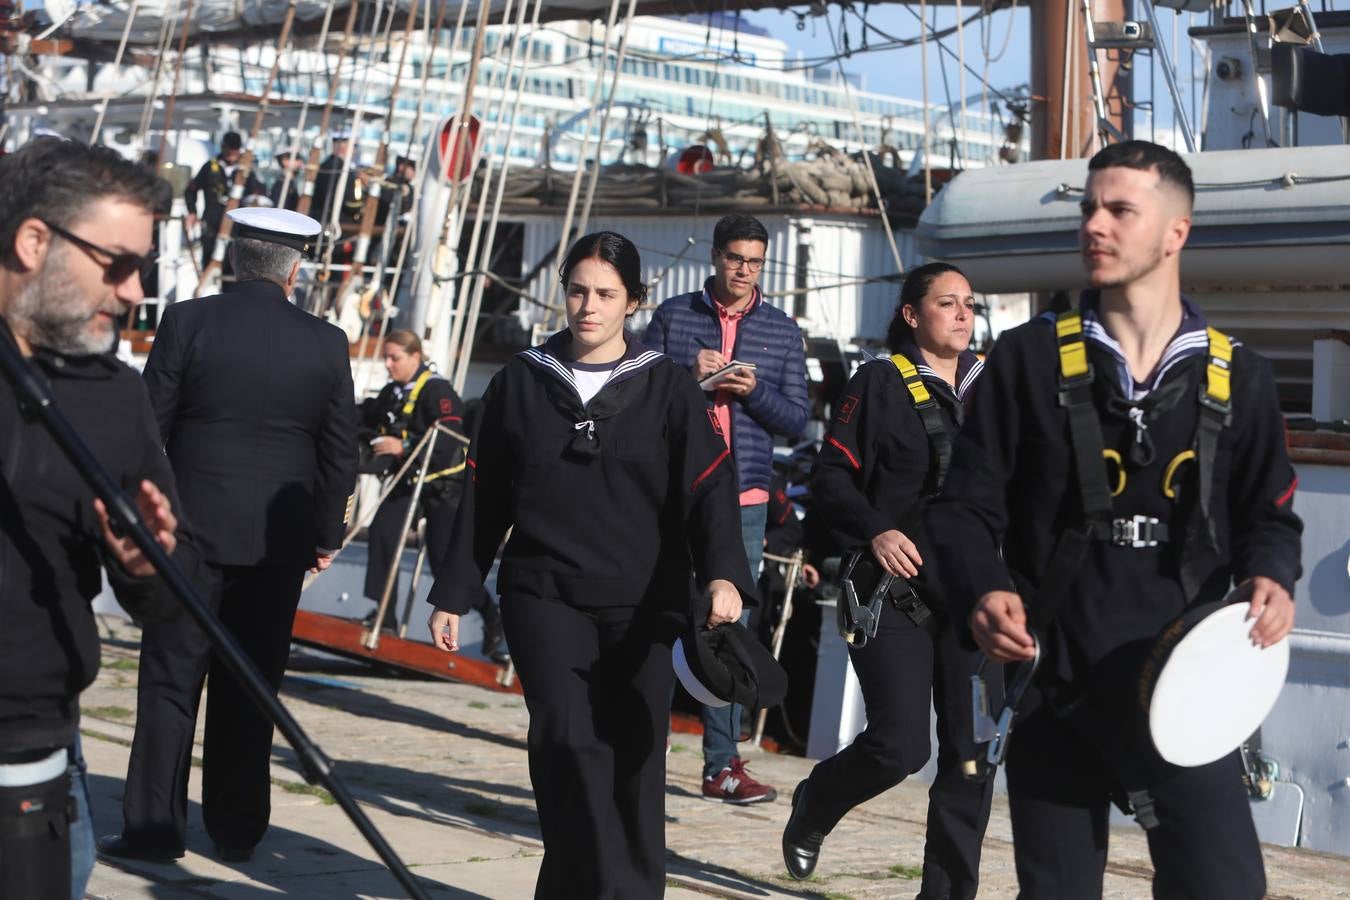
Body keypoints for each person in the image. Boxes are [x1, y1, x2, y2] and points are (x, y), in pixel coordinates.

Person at [928, 140, 1302, 898]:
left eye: (1120, 210)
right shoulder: (1027, 363)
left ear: (1176, 232)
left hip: (1182, 683)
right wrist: (981, 588)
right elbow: (963, 509)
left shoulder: (1241, 377)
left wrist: (1273, 575)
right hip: (1052, 682)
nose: (1095, 225)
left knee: (1225, 886)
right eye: (1088, 208)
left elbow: (1270, 514)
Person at [427, 231, 757, 898]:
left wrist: (724, 572)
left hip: (645, 600)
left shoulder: (668, 388)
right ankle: (589, 883)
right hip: (544, 593)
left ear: (633, 300)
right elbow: (484, 488)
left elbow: (711, 487)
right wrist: (455, 591)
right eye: (578, 290)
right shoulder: (522, 380)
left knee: (635, 751)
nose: (588, 306)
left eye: (606, 294)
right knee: (565, 742)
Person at [101, 207, 359, 864]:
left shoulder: (187, 322)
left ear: (234, 260)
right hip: (277, 545)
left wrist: (143, 514)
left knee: (168, 683)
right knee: (251, 687)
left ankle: (153, 828)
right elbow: (339, 453)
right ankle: (237, 829)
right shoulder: (326, 343)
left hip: (188, 534)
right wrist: (325, 535)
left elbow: (144, 427)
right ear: (295, 269)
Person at [0, 137, 185, 899]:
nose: (136, 291)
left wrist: (147, 565)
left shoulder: (114, 395)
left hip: (32, 750)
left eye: (144, 267)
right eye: (117, 265)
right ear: (34, 240)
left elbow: (169, 599)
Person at [781, 262, 999, 899]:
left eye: (969, 304)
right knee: (901, 748)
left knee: (971, 756)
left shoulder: (995, 389)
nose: (962, 314)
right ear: (912, 314)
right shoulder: (876, 383)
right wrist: (875, 528)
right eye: (946, 303)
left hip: (975, 601)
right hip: (891, 595)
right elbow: (829, 479)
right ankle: (817, 802)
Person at [644, 213, 809, 804]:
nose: (744, 270)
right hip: (672, 491)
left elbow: (796, 420)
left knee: (726, 625)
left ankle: (722, 765)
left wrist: (752, 391)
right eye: (736, 258)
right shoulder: (674, 317)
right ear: (715, 257)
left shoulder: (783, 332)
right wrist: (689, 378)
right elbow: (638, 396)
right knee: (659, 613)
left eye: (756, 262)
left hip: (744, 498)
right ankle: (643, 744)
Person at [358, 329, 506, 661]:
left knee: (444, 557)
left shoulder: (438, 390)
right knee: (383, 533)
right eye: (386, 357)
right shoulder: (391, 393)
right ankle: (385, 616)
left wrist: (405, 445)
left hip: (443, 486)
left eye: (394, 357)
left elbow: (451, 434)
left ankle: (489, 614)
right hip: (410, 482)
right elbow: (367, 417)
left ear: (415, 357)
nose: (388, 364)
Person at [184, 131, 264, 269]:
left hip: (236, 228)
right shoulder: (210, 167)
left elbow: (254, 196)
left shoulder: (246, 171)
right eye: (228, 149)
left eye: (235, 149)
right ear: (222, 147)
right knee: (208, 263)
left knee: (233, 267)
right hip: (211, 226)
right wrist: (192, 212)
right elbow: (191, 190)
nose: (231, 153)